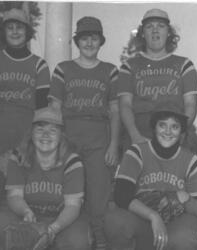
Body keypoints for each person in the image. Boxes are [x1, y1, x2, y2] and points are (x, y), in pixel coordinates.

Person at [48, 16, 120, 250]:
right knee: (66, 191)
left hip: (99, 136)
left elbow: (115, 110)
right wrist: (56, 143)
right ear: (77, 41)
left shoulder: (110, 70)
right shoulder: (63, 69)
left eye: (94, 37)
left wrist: (113, 145)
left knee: (98, 194)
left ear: (101, 41)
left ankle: (100, 241)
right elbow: (55, 109)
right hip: (69, 135)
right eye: (84, 38)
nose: (89, 42)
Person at [105, 101, 197, 250]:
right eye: (162, 125)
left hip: (175, 223)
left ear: (181, 132)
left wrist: (185, 199)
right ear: (154, 127)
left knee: (186, 238)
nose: (168, 131)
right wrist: (154, 216)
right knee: (115, 221)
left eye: (175, 126)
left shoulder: (191, 160)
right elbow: (121, 195)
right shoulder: (137, 152)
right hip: (142, 220)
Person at [0, 106, 91, 250]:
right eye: (40, 129)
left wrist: (53, 229)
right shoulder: (19, 157)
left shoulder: (72, 161)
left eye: (53, 130)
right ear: (31, 133)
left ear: (61, 135)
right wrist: (26, 212)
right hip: (28, 214)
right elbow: (14, 196)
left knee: (77, 242)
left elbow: (73, 206)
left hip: (61, 218)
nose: (46, 135)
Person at [118, 8, 197, 151]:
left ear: (169, 33)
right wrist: (135, 136)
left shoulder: (184, 64)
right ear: (142, 33)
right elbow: (125, 105)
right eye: (149, 27)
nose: (155, 30)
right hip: (138, 137)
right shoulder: (129, 66)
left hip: (173, 136)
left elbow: (190, 105)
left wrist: (178, 135)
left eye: (161, 26)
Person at [0, 8, 50, 156]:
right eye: (10, 28)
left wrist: (28, 142)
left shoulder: (39, 64)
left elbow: (42, 109)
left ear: (27, 31)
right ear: (4, 32)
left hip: (26, 137)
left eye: (20, 27)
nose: (15, 32)